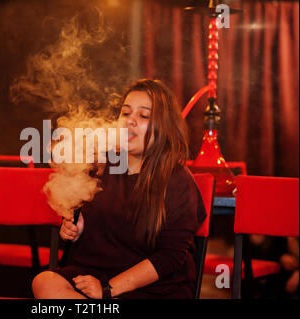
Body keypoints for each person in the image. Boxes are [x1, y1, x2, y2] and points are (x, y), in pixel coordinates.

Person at [32, 79, 207, 299]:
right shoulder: (99, 165)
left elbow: (170, 257)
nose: (130, 121)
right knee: (45, 282)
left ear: (163, 127)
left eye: (143, 116)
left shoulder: (178, 181)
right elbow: (83, 225)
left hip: (151, 289)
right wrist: (75, 230)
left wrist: (108, 289)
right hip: (93, 276)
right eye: (125, 113)